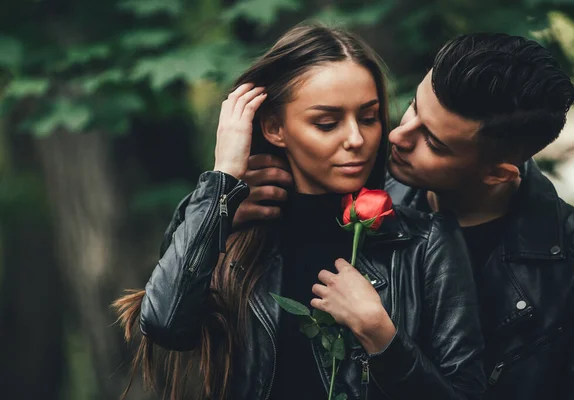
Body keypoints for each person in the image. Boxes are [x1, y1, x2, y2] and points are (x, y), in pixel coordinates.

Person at [113, 24, 487, 400]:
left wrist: (381, 335)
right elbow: (165, 323)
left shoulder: (426, 242)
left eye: (369, 117)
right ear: (275, 128)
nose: (356, 139)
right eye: (327, 123)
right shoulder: (236, 237)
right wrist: (223, 177)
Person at [239, 32, 574, 400]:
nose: (397, 135)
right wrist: (226, 207)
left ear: (498, 174)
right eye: (413, 106)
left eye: (433, 142)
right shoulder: (364, 197)